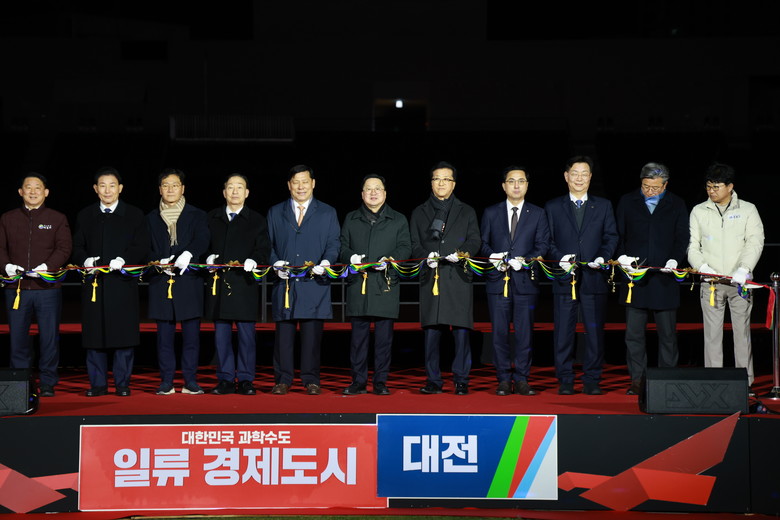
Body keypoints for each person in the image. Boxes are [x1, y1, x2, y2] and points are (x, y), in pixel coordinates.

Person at [72, 167, 149, 397]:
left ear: (120, 188)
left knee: (123, 335)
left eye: (112, 185)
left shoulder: (134, 214)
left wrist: (124, 259)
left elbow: (141, 246)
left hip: (122, 283)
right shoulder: (85, 215)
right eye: (102, 186)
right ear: (95, 189)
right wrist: (84, 259)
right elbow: (76, 245)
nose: (107, 190)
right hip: (94, 284)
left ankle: (122, 384)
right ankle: (97, 384)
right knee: (94, 335)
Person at [688, 162, 764, 391]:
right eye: (708, 186)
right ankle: (714, 382)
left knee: (742, 333)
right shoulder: (699, 210)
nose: (711, 191)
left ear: (730, 186)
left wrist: (744, 268)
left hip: (740, 282)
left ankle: (745, 383)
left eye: (716, 187)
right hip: (711, 282)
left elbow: (755, 242)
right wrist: (703, 267)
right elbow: (693, 245)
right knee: (712, 334)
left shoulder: (748, 209)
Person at [545, 155, 618, 395]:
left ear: (590, 177)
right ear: (566, 176)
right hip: (565, 279)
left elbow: (611, 236)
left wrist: (602, 256)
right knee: (563, 333)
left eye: (584, 174)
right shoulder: (553, 206)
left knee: (594, 332)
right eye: (575, 173)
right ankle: (565, 379)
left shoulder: (603, 205)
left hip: (594, 279)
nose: (579, 178)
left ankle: (592, 379)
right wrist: (560, 258)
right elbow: (547, 240)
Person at [615, 162, 689, 395]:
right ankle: (637, 379)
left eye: (655, 188)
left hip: (664, 279)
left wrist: (675, 259)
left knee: (667, 335)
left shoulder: (676, 203)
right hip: (635, 278)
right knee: (634, 334)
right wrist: (622, 257)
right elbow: (618, 235)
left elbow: (682, 237)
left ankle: (667, 378)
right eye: (646, 186)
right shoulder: (627, 201)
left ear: (665, 185)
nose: (649, 191)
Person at [267, 165, 340, 395]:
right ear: (289, 185)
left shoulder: (327, 212)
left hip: (314, 284)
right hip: (285, 284)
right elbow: (267, 244)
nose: (301, 187)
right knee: (283, 337)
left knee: (312, 338)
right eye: (296, 182)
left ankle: (311, 379)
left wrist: (326, 262)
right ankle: (283, 379)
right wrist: (275, 263)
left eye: (305, 182)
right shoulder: (275, 212)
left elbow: (334, 243)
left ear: (313, 184)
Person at [410, 161, 481, 395]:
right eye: (436, 179)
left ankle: (461, 379)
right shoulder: (419, 212)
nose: (441, 183)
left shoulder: (466, 211)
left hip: (458, 275)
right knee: (432, 331)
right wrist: (425, 256)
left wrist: (462, 254)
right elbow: (414, 243)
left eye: (446, 179)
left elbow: (475, 240)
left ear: (454, 184)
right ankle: (433, 379)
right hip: (432, 277)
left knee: (461, 331)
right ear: (431, 183)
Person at [480, 165, 550, 396]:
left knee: (524, 333)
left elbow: (542, 244)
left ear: (527, 185)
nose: (516, 185)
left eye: (521, 181)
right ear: (504, 186)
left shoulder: (538, 213)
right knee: (499, 333)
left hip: (525, 281)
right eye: (511, 181)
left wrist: (526, 260)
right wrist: (493, 256)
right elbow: (482, 243)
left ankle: (522, 378)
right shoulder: (491, 212)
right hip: (498, 281)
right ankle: (502, 378)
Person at [0, 173, 71, 397]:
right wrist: (6, 266)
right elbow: (0, 248)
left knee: (49, 338)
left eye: (37, 187)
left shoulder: (57, 218)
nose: (33, 192)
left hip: (47, 290)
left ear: (46, 192)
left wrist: (47, 267)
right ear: (20, 192)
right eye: (28, 187)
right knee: (18, 339)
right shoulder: (8, 218)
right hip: (17, 290)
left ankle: (48, 382)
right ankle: (20, 383)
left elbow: (64, 248)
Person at [339, 174, 411, 396]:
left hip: (385, 285)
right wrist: (351, 257)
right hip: (359, 286)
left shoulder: (398, 219)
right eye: (368, 189)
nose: (373, 193)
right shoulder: (351, 218)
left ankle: (380, 381)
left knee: (383, 340)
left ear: (385, 193)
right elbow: (341, 246)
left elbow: (406, 247)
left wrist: (391, 259)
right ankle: (358, 381)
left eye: (377, 188)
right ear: (362, 194)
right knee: (358, 340)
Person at [205, 174, 270, 395]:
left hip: (244, 284)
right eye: (230, 187)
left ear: (247, 193)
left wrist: (255, 259)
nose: (235, 192)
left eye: (239, 187)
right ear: (224, 192)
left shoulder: (257, 220)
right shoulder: (212, 217)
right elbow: (203, 245)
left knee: (246, 336)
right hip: (219, 285)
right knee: (221, 336)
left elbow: (264, 248)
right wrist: (207, 258)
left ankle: (245, 379)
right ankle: (224, 378)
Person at [146, 168, 209, 395]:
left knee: (191, 338)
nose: (170, 189)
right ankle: (166, 381)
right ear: (159, 189)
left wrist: (189, 253)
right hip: (161, 282)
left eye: (175, 185)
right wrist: (156, 261)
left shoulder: (197, 215)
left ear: (183, 188)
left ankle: (190, 380)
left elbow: (203, 239)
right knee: (164, 338)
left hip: (189, 282)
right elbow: (143, 247)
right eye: (166, 185)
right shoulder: (150, 218)